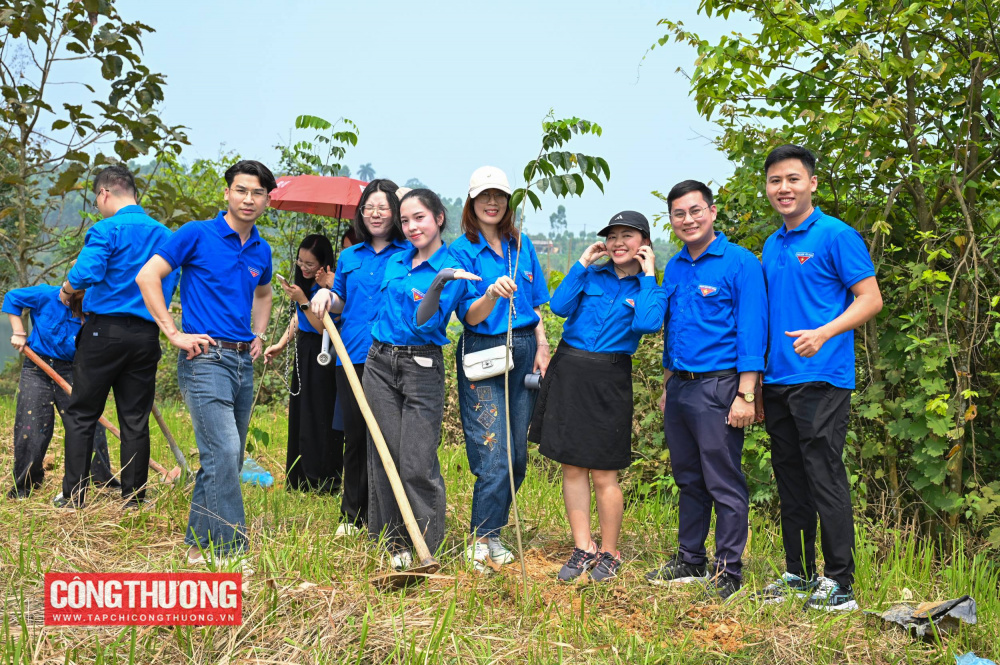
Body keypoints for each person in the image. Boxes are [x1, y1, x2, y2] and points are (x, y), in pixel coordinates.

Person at [756, 145, 882, 611]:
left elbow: (870, 299)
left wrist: (824, 332)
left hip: (823, 376)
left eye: (792, 179)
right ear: (767, 188)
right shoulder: (772, 244)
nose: (783, 188)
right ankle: (798, 573)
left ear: (812, 183)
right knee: (789, 475)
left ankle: (840, 582)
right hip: (778, 378)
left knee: (823, 474)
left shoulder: (836, 235)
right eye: (775, 181)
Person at [136, 159, 276, 567]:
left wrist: (260, 333)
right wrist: (173, 332)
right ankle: (232, 552)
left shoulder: (261, 249)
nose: (248, 199)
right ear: (227, 193)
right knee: (225, 449)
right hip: (203, 359)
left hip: (241, 362)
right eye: (241, 190)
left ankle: (197, 546)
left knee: (224, 458)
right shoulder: (196, 233)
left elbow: (264, 294)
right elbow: (149, 276)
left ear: (267, 199)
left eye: (257, 193)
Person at [644, 180, 767, 600]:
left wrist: (746, 393)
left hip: (720, 387)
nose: (688, 220)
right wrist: (666, 385)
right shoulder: (676, 265)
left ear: (712, 213)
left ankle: (728, 570)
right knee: (688, 478)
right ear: (672, 221)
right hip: (680, 386)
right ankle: (690, 559)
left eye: (696, 211)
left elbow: (753, 331)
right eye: (679, 214)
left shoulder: (740, 263)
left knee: (723, 481)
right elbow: (671, 330)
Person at [528, 211, 665, 583]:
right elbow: (558, 307)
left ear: (644, 244)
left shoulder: (650, 288)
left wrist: (649, 275)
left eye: (628, 236)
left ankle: (610, 550)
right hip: (569, 370)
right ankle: (583, 545)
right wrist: (583, 261)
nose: (619, 243)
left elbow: (649, 324)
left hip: (609, 378)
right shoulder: (591, 275)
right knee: (571, 466)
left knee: (605, 471)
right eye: (613, 236)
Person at [349, 188, 477, 570]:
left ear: (439, 217)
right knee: (384, 456)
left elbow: (423, 322)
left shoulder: (453, 268)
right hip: (379, 362)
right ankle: (393, 546)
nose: (411, 226)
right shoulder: (396, 260)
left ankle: (425, 547)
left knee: (416, 462)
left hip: (421, 366)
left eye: (419, 217)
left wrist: (438, 283)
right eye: (404, 220)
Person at [448, 166, 551, 572]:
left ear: (508, 202)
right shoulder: (460, 251)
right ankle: (479, 538)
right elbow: (469, 316)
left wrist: (542, 344)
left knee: (518, 456)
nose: (492, 203)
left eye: (499, 196)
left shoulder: (521, 244)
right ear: (471, 203)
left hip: (524, 347)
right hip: (483, 348)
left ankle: (493, 531)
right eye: (483, 196)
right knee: (492, 451)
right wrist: (491, 293)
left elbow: (535, 304)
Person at [56, 165, 177, 509]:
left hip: (103, 332)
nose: (98, 206)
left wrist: (66, 291)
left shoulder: (107, 229)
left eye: (97, 199)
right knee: (135, 418)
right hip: (146, 334)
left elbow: (88, 271)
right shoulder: (164, 234)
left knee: (81, 414)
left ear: (105, 193)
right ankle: (134, 498)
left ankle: (74, 496)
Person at [310, 179, 410, 535]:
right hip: (351, 353)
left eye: (384, 208)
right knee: (354, 435)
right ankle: (351, 515)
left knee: (386, 437)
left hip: (392, 354)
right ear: (361, 213)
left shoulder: (408, 252)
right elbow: (341, 299)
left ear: (396, 212)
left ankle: (387, 514)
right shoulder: (350, 256)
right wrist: (325, 298)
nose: (376, 214)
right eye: (370, 208)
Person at [3, 285, 118, 498]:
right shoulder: (46, 295)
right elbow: (12, 298)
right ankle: (26, 484)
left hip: (73, 370)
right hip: (37, 367)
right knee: (32, 426)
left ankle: (101, 478)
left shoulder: (94, 307)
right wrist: (18, 331)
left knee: (88, 423)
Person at [263, 234, 342, 493]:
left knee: (320, 413)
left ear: (323, 263)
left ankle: (323, 478)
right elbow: (299, 320)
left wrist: (303, 300)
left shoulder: (330, 289)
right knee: (301, 412)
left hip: (324, 352)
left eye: (310, 264)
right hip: (304, 350)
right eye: (301, 262)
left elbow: (322, 328)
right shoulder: (305, 287)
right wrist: (281, 343)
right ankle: (299, 477)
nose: (304, 268)